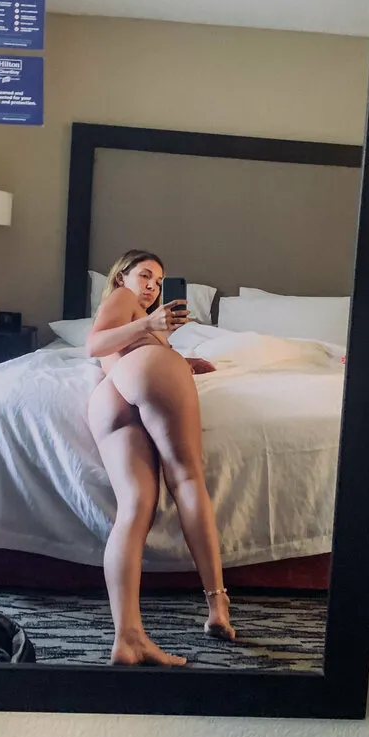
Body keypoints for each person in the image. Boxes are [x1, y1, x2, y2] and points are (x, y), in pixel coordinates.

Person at [86, 249, 235, 666]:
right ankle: (217, 604)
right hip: (142, 372)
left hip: (110, 396)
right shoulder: (122, 299)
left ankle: (128, 638)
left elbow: (120, 352)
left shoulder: (131, 313)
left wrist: (183, 361)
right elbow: (94, 343)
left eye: (158, 281)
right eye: (145, 276)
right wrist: (152, 329)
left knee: (135, 506)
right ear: (121, 277)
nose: (152, 286)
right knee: (186, 478)